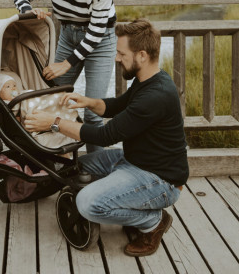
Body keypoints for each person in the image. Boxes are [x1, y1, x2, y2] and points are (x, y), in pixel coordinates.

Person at [24, 19, 189, 257]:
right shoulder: (149, 80)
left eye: (122, 53)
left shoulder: (156, 96)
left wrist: (53, 123)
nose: (117, 58)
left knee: (87, 204)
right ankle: (126, 198)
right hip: (133, 160)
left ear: (142, 55)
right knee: (74, 168)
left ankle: (152, 220)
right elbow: (115, 107)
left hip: (160, 180)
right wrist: (88, 101)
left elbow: (104, 135)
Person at [13, 0, 117, 153]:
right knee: (53, 101)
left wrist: (67, 63)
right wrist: (29, 11)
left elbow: (98, 29)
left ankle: (93, 168)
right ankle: (62, 164)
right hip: (68, 35)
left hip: (99, 41)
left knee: (93, 112)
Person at [0, 71, 78, 151]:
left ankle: (61, 111)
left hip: (35, 108)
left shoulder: (20, 96)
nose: (13, 88)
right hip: (29, 118)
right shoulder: (4, 105)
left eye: (14, 85)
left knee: (46, 98)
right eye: (8, 87)